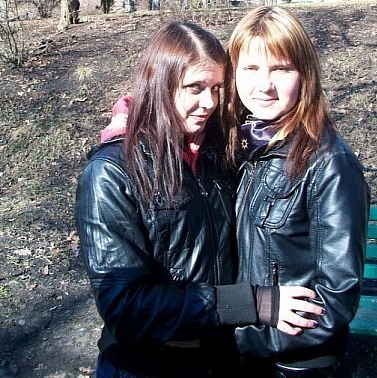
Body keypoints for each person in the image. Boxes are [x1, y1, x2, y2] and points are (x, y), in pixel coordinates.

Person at [75, 21, 324, 378]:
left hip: (219, 358)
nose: (209, 103)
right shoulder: (111, 172)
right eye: (195, 88)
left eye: (217, 88)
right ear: (159, 84)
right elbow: (124, 306)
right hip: (148, 365)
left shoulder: (215, 154)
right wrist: (253, 303)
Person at [223, 6, 370, 378]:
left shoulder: (329, 164)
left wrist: (238, 337)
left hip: (291, 363)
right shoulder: (243, 147)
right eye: (250, 68)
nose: (264, 85)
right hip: (241, 357)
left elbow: (335, 298)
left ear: (305, 74)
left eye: (281, 69)